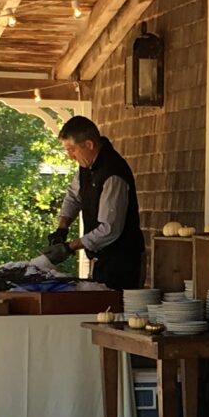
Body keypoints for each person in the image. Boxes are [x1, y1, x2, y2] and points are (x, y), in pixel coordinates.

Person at [45, 115, 145, 288]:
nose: (70, 157)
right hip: (101, 259)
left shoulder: (113, 172)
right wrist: (62, 228)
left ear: (89, 145)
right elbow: (73, 196)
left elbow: (109, 229)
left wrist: (69, 247)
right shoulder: (86, 166)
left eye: (72, 150)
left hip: (123, 263)